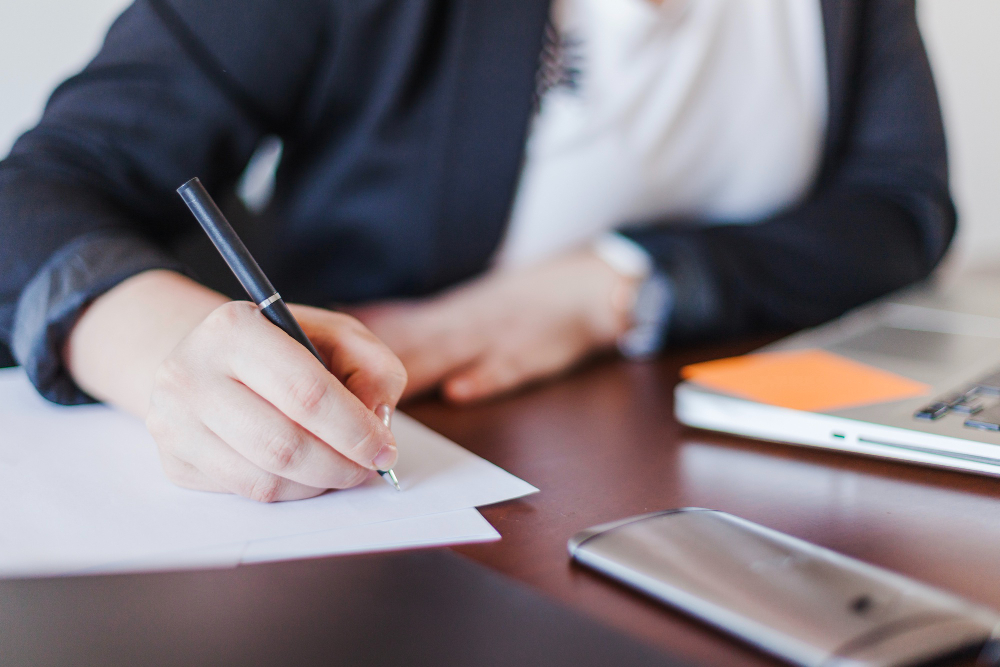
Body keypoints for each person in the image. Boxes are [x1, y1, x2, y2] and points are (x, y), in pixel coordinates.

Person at [0, 0, 953, 501]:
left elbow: (901, 205)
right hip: (392, 497)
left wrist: (613, 285)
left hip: (701, 471)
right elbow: (37, 191)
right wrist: (163, 351)